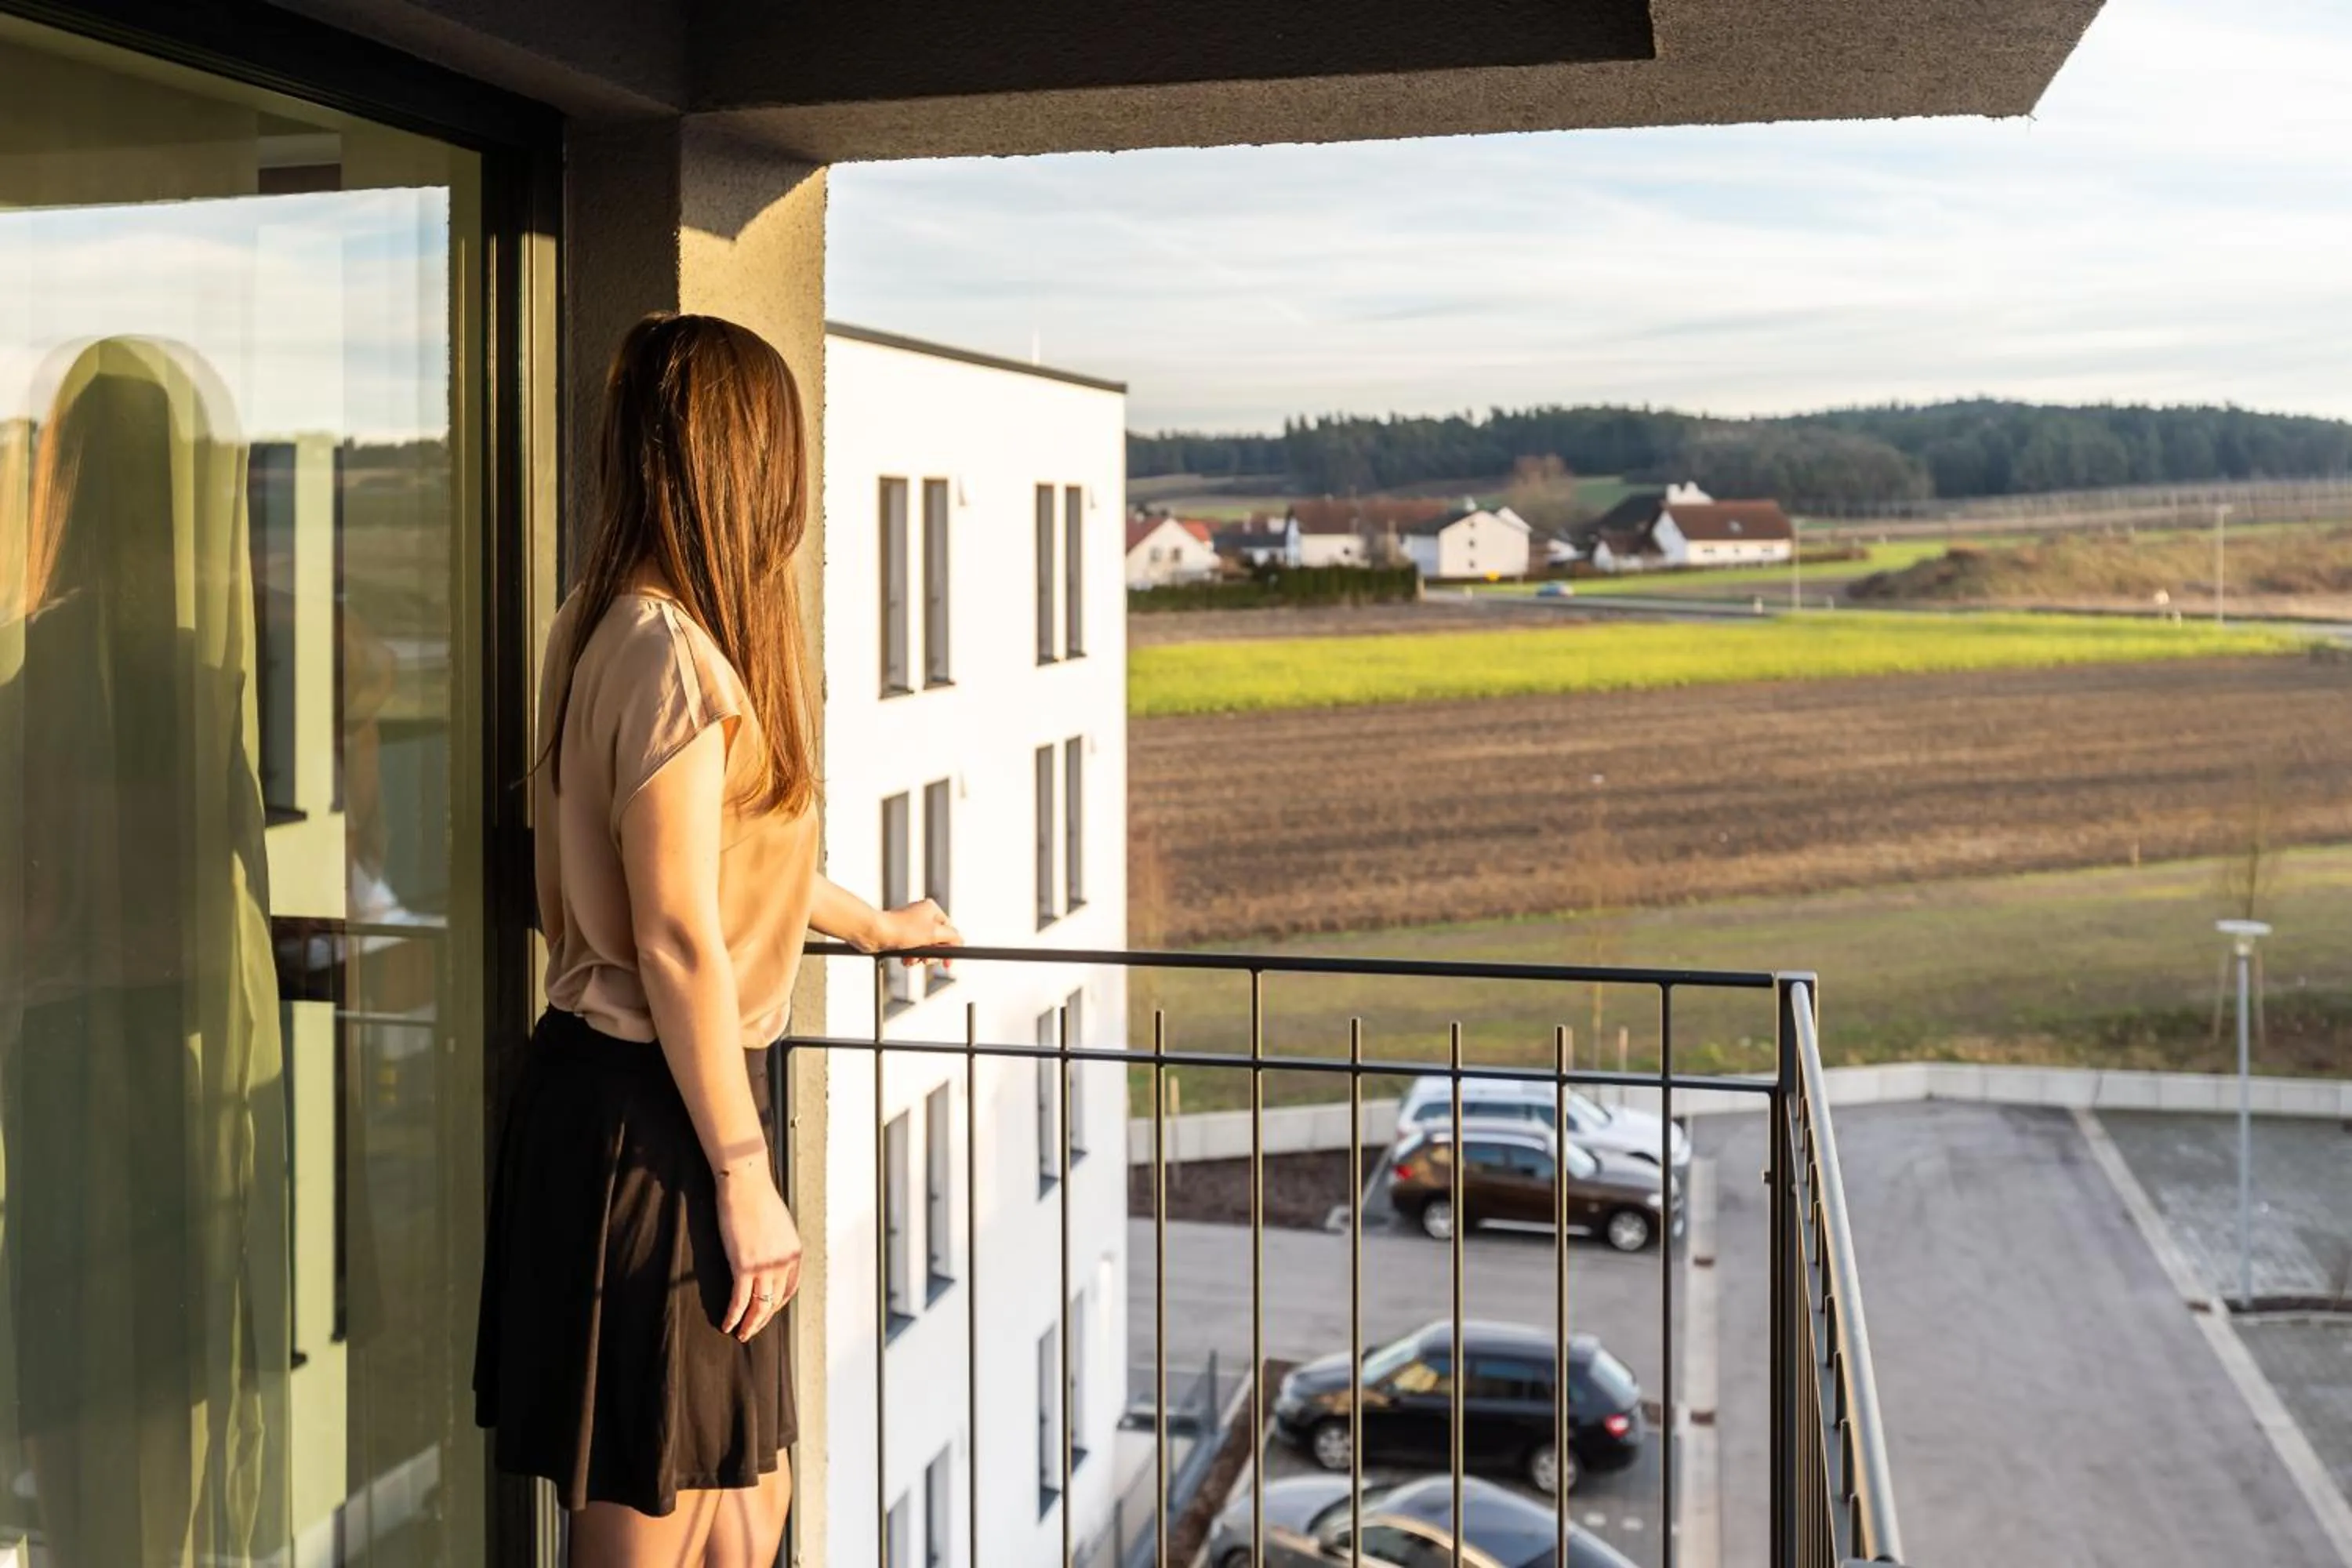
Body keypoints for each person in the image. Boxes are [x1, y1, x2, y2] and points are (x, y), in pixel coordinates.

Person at [474, 313, 960, 1566]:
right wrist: (744, 1175)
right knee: (666, 1519)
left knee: (744, 1512)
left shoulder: (603, 623)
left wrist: (874, 924)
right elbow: (680, 933)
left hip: (653, 1101)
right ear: (746, 463)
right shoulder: (673, 658)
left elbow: (729, 864)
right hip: (659, 1116)